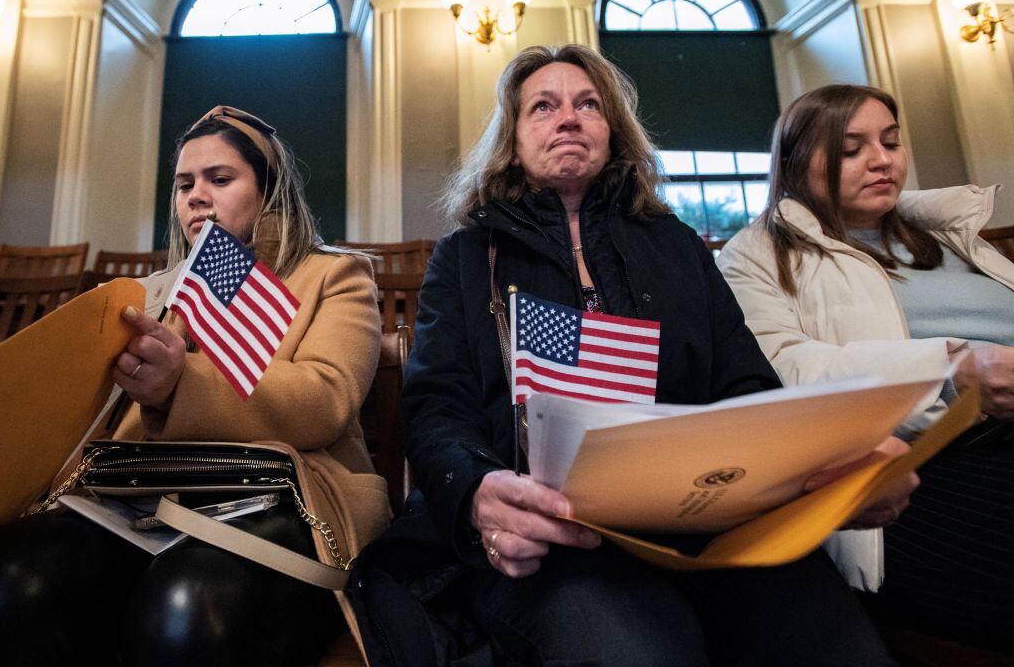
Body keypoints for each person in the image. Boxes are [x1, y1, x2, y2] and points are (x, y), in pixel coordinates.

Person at [349, 46, 911, 667]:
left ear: (613, 131)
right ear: (511, 141)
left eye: (588, 104)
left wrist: (822, 457)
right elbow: (436, 407)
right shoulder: (464, 254)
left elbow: (747, 385)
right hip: (550, 539)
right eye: (544, 106)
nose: (569, 117)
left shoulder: (677, 245)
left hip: (702, 525)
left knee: (836, 647)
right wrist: (479, 491)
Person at [0, 106, 388, 666]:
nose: (195, 196)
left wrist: (181, 383)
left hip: (284, 494)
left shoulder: (334, 276)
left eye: (220, 179)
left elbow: (326, 399)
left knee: (189, 608)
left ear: (270, 190)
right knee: (1, 587)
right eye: (185, 184)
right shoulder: (151, 293)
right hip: (139, 494)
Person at [718, 84, 1014, 652]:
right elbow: (785, 371)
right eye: (852, 148)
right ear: (796, 161)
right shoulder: (757, 255)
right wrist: (951, 371)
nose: (882, 160)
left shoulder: (950, 234)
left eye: (891, 141)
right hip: (921, 465)